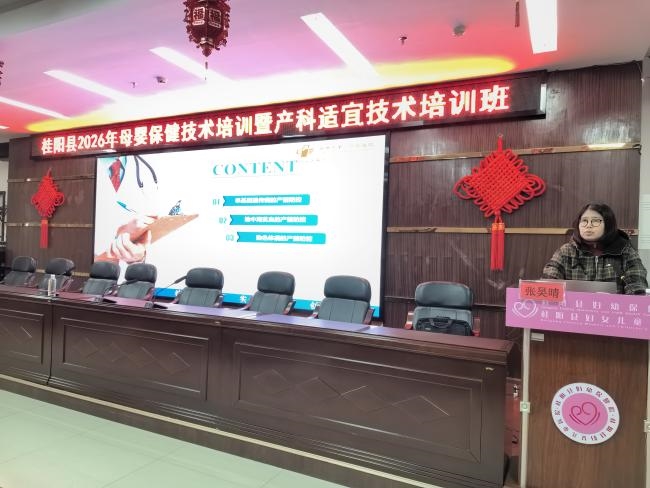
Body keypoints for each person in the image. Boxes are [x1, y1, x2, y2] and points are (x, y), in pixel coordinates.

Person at [542, 202, 647, 294]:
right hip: (573, 309)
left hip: (613, 309)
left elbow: (637, 287)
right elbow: (549, 283)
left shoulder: (625, 252)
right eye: (584, 221)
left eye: (595, 221)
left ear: (608, 224)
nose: (588, 225)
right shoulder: (566, 252)